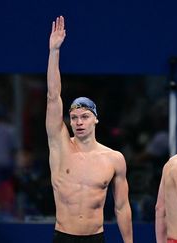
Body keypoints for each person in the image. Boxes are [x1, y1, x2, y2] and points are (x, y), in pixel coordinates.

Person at [46, 16, 133, 243]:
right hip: (63, 236)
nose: (79, 122)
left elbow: (122, 207)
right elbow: (53, 96)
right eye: (74, 118)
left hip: (95, 238)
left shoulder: (114, 159)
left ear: (96, 120)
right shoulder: (59, 145)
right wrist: (54, 52)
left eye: (85, 117)